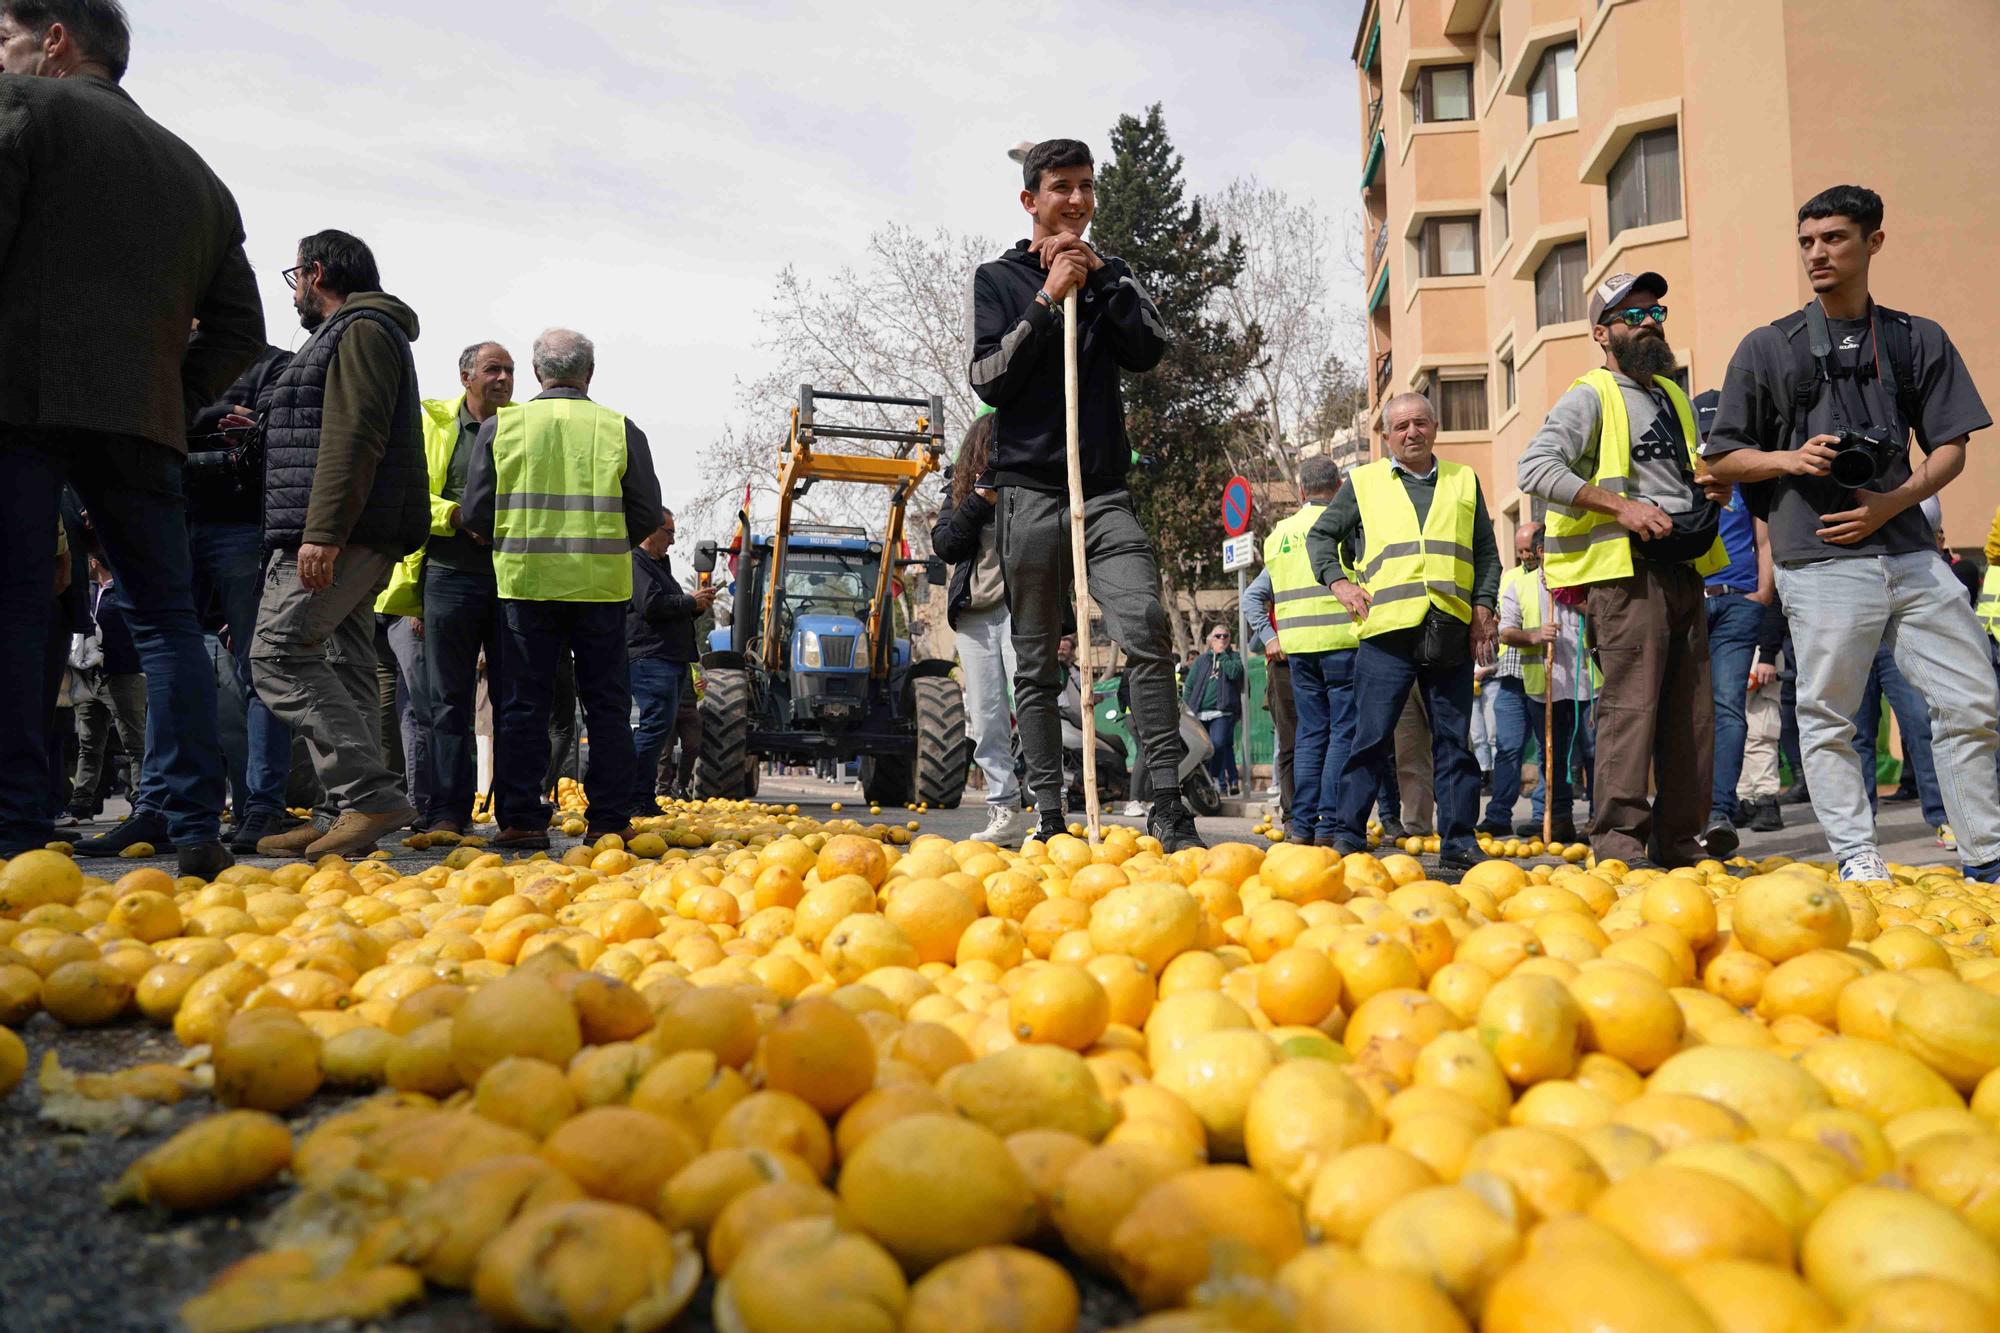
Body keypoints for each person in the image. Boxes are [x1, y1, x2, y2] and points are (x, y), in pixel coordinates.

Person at [0, 0, 264, 867]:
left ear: (56, 40)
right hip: (143, 426)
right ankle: (192, 822)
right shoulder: (199, 176)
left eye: (4, 39)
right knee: (167, 622)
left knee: (14, 610)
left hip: (20, 403)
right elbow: (237, 329)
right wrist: (163, 388)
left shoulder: (24, 107)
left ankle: (14, 826)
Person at [1704, 184, 2000, 883]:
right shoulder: (1768, 346)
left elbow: (1952, 447)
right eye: (1807, 241)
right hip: (1818, 558)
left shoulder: (1914, 338)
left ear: (1874, 242)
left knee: (1972, 697)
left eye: (1834, 238)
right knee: (1829, 712)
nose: (1817, 253)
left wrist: (1890, 500)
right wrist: (1789, 458)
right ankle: (1856, 855)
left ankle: (1986, 852)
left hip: (1908, 551)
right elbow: (1719, 457)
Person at [967, 137, 1201, 852]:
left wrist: (1097, 282)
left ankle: (1167, 799)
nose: (1076, 200)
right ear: (1030, 198)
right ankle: (1047, 813)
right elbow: (989, 380)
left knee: (1147, 629)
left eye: (1086, 186)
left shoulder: (1113, 275)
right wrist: (1044, 300)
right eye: (1061, 186)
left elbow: (1149, 349)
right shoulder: (997, 279)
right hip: (1030, 494)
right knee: (1035, 660)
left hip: (1104, 493)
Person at [1518, 271, 1734, 869]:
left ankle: (1680, 844)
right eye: (1631, 315)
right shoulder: (1590, 394)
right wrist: (1624, 507)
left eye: (1655, 312)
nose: (1647, 323)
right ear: (1601, 333)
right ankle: (1618, 847)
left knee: (1692, 718)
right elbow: (1534, 468)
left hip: (1686, 573)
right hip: (1626, 579)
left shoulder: (1673, 397)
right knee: (1630, 713)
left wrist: (1709, 490)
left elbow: (1682, 476)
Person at [249, 229, 427, 858]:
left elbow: (353, 437)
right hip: (352, 527)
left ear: (316, 272)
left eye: (294, 275)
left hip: (340, 531)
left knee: (277, 653)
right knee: (346, 663)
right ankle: (340, 814)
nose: (293, 289)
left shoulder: (360, 331)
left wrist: (322, 533)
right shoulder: (352, 334)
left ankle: (368, 796)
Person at [461, 328, 664, 849]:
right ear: (589, 374)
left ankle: (523, 820)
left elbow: (477, 511)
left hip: (526, 587)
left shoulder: (503, 427)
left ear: (536, 374)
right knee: (607, 706)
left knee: (523, 705)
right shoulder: (620, 429)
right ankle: (610, 821)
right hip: (599, 588)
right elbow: (645, 512)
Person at [1308, 392, 1500, 871]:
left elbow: (1487, 556)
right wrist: (1340, 585)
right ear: (1386, 436)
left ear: (1435, 427)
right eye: (1400, 427)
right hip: (1387, 633)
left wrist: (1483, 609)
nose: (1411, 433)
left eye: (1420, 423)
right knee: (1369, 739)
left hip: (1449, 629)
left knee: (1455, 742)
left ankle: (1459, 841)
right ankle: (1348, 836)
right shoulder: (1364, 482)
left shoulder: (1464, 481)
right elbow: (1321, 536)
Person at [372, 340, 516, 836]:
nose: (503, 379)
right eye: (493, 369)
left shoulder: (521, 426)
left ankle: (516, 813)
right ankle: (447, 811)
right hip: (447, 577)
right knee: (444, 702)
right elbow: (409, 492)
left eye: (510, 371)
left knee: (513, 697)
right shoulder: (431, 424)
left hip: (510, 580)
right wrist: (454, 516)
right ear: (466, 377)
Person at [179, 346, 301, 852]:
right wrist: (217, 421)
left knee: (261, 670)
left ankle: (262, 806)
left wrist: (191, 422)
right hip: (176, 517)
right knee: (169, 666)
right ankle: (166, 807)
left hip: (243, 526)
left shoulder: (276, 363)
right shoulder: (167, 356)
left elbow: (278, 426)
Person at [930, 412, 1033, 844]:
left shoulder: (1028, 488)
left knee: (1032, 705)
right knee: (986, 717)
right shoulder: (959, 493)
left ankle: (1050, 805)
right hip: (974, 618)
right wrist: (977, 501)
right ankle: (1003, 807)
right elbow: (946, 545)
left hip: (1019, 611)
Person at [1693, 388, 1776, 855]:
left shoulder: (1748, 477)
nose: (1709, 443)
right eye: (1703, 434)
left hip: (1738, 604)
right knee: (1684, 711)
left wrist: (1761, 594)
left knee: (1728, 708)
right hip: (1690, 601)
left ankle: (1719, 813)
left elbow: (1765, 541)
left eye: (1716, 432)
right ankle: (1682, 811)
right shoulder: (1682, 472)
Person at [1261, 457, 1353, 845]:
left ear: (1301, 491)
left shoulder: (1276, 536)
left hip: (1297, 649)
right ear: (1338, 487)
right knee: (1341, 734)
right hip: (1342, 643)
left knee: (1309, 736)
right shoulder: (1344, 525)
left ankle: (1301, 824)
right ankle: (1330, 823)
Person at [1496, 531, 1596, 844]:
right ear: (1542, 551)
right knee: (1553, 754)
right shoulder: (1520, 585)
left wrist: (1580, 602)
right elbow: (1506, 632)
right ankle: (1561, 818)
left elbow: (1606, 617)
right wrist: (1535, 635)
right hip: (1545, 686)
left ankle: (1598, 818)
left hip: (1588, 683)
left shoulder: (1584, 578)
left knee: (1595, 754)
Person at [629, 507, 714, 815]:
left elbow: (668, 606)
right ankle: (635, 797)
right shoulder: (635, 563)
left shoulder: (659, 566)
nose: (673, 542)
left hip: (670, 658)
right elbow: (649, 604)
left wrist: (695, 606)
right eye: (669, 533)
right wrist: (689, 601)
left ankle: (641, 797)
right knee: (654, 728)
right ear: (651, 531)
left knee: (659, 728)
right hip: (651, 657)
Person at [1478, 523, 1544, 837]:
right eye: (1519, 551)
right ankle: (1499, 814)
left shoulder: (1550, 578)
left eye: (1528, 550)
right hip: (1510, 676)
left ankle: (1543, 814)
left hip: (1542, 677)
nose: (1523, 556)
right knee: (1506, 748)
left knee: (1546, 750)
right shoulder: (1511, 578)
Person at [69, 558, 146, 819]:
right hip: (90, 675)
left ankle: (140, 798)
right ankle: (82, 801)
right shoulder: (88, 591)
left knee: (134, 743)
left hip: (124, 674)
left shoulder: (126, 589)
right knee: (89, 743)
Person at [1240, 565, 1291, 823]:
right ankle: (1295, 817)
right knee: (1287, 743)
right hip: (1283, 666)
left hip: (1321, 661)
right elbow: (1250, 599)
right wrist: (1270, 638)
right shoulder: (1283, 551)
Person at [1182, 626, 1243, 796]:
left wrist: (1223, 655)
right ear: (1211, 639)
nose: (1222, 638)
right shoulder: (1201, 661)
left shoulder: (1234, 657)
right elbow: (1189, 685)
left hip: (1222, 713)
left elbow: (1234, 673)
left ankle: (1216, 777)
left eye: (1225, 635)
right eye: (1218, 636)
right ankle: (1206, 783)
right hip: (1198, 714)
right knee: (1200, 751)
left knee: (1218, 744)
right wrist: (1186, 709)